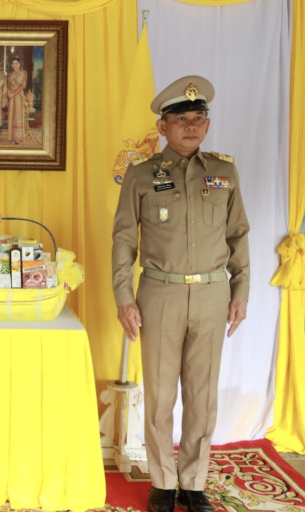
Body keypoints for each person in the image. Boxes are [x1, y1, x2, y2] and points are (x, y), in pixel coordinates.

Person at [112, 76, 250, 512]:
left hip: (212, 294)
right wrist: (123, 296)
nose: (191, 126)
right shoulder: (141, 174)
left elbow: (238, 235)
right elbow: (123, 239)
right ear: (162, 126)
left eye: (198, 118)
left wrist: (241, 290)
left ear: (206, 125)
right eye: (181, 119)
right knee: (160, 396)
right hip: (160, 294)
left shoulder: (224, 173)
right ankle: (162, 481)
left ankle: (193, 482)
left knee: (202, 396)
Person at [6, 56, 28, 144]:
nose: (14, 65)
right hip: (11, 97)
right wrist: (9, 93)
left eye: (16, 63)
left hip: (19, 96)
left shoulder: (23, 73)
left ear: (19, 64)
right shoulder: (10, 74)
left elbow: (23, 86)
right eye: (13, 63)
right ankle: (12, 137)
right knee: (12, 115)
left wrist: (13, 93)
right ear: (11, 65)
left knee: (18, 115)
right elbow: (8, 85)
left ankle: (18, 138)